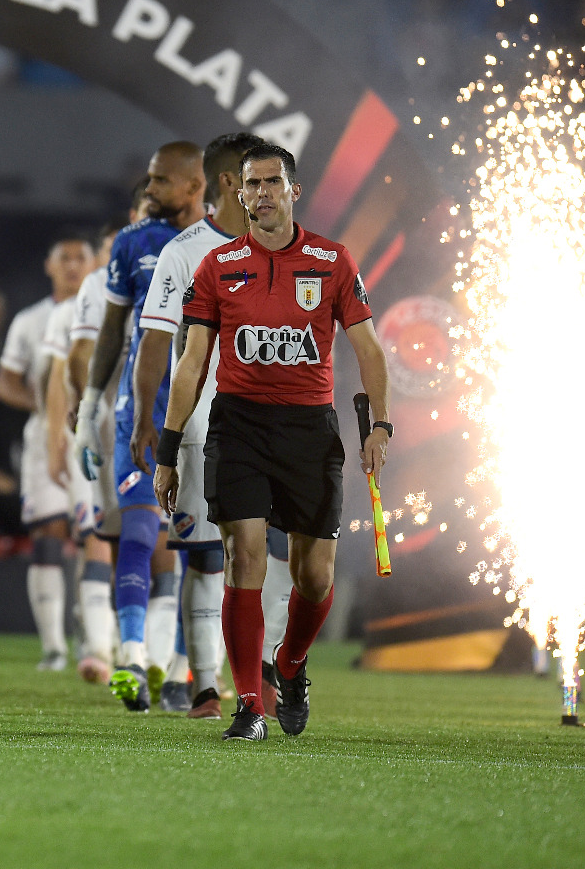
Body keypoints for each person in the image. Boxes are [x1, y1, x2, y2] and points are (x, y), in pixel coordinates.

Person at [154, 142, 390, 741]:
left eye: (273, 182)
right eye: (252, 184)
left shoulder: (332, 262)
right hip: (239, 428)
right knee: (245, 559)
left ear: (293, 190)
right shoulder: (217, 267)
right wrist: (168, 445)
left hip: (310, 433)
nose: (262, 193)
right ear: (240, 194)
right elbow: (191, 362)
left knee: (315, 577)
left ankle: (290, 663)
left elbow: (368, 348)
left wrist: (380, 425)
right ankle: (250, 706)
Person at [128, 131, 263, 718]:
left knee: (277, 552)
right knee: (209, 555)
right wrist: (146, 419)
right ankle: (206, 683)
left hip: (277, 425)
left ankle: (270, 670)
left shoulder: (288, 250)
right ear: (232, 183)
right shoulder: (185, 252)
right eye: (258, 179)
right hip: (205, 422)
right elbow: (153, 340)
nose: (270, 191)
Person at [73, 142, 206, 711]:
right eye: (147, 179)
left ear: (195, 186)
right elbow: (111, 332)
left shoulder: (228, 247)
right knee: (139, 530)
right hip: (140, 409)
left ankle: (182, 667)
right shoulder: (131, 245)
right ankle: (131, 655)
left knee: (201, 544)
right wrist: (87, 409)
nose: (147, 189)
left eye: (159, 181)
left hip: (207, 412)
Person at [0, 233, 93, 671]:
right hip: (43, 437)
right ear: (49, 266)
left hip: (93, 434)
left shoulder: (108, 311)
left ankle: (92, 638)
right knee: (49, 533)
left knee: (95, 537)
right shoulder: (31, 321)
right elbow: (5, 382)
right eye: (64, 258)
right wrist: (48, 403)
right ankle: (54, 647)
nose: (73, 266)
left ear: (93, 265)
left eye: (81, 258)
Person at [43, 222, 123, 683]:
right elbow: (59, 378)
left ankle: (135, 646)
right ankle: (98, 647)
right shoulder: (73, 309)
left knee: (151, 540)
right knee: (97, 535)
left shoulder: (156, 294)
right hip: (93, 435)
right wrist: (60, 438)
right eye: (110, 247)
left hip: (143, 432)